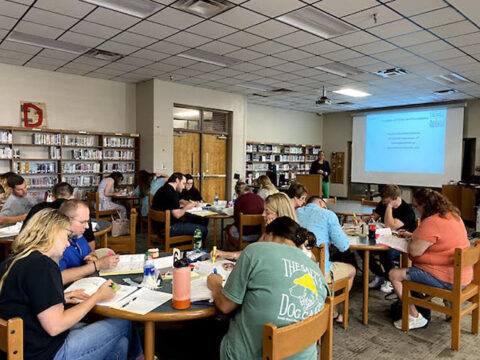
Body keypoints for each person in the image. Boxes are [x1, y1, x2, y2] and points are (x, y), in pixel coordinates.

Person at [0, 208, 143, 360]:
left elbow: (25, 300)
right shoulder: (44, 266)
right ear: (53, 232)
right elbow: (55, 326)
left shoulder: (14, 261)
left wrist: (59, 297)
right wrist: (96, 297)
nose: (68, 243)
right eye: (66, 236)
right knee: (123, 322)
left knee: (120, 343)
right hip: (45, 352)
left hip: (22, 345)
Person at [207, 216, 328, 360]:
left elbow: (225, 305)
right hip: (302, 354)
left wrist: (216, 285)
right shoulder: (316, 271)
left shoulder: (256, 250)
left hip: (251, 355)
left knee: (201, 331)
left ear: (269, 234)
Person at [389, 189, 472, 330]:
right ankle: (449, 302)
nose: (416, 209)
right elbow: (439, 240)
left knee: (394, 274)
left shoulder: (431, 222)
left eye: (416, 206)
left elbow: (414, 251)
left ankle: (414, 316)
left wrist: (410, 240)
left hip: (447, 280)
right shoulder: (453, 215)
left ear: (425, 206)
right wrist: (412, 235)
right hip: (463, 276)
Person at [296, 195, 355, 324]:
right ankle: (338, 312)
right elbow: (343, 246)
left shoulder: (296, 212)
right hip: (319, 271)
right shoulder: (328, 215)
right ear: (322, 204)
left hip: (297, 267)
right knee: (351, 270)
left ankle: (331, 307)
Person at [216, 192, 296, 261]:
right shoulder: (269, 232)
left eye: (267, 213)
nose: (263, 215)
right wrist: (224, 254)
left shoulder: (289, 239)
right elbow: (252, 252)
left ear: (280, 214)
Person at [369, 184, 417, 293]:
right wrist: (363, 221)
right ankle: (379, 274)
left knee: (387, 253)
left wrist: (389, 207)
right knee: (362, 249)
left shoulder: (407, 210)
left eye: (386, 201)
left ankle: (390, 279)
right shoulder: (383, 203)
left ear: (395, 199)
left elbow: (389, 226)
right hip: (385, 239)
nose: (383, 203)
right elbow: (373, 218)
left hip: (403, 242)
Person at [59, 199, 119, 285]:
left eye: (87, 221)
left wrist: (92, 256)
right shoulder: (57, 245)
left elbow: (89, 252)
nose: (87, 226)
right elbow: (59, 277)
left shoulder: (77, 234)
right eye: (82, 222)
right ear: (65, 220)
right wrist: (97, 265)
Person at [22, 183, 95, 248]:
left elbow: (24, 232)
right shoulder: (79, 210)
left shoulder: (38, 208)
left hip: (33, 249)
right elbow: (90, 240)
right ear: (72, 197)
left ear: (52, 197)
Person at [152, 172, 207, 240]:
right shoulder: (173, 193)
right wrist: (187, 207)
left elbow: (169, 205)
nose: (184, 187)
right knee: (203, 229)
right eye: (183, 183)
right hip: (168, 228)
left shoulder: (163, 189)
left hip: (157, 226)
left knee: (192, 221)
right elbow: (177, 215)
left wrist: (182, 205)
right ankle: (195, 247)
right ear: (177, 180)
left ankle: (187, 243)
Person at [228, 181, 264, 245]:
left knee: (229, 229)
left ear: (237, 193)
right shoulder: (259, 198)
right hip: (260, 234)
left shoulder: (239, 200)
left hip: (244, 235)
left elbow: (237, 219)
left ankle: (233, 248)